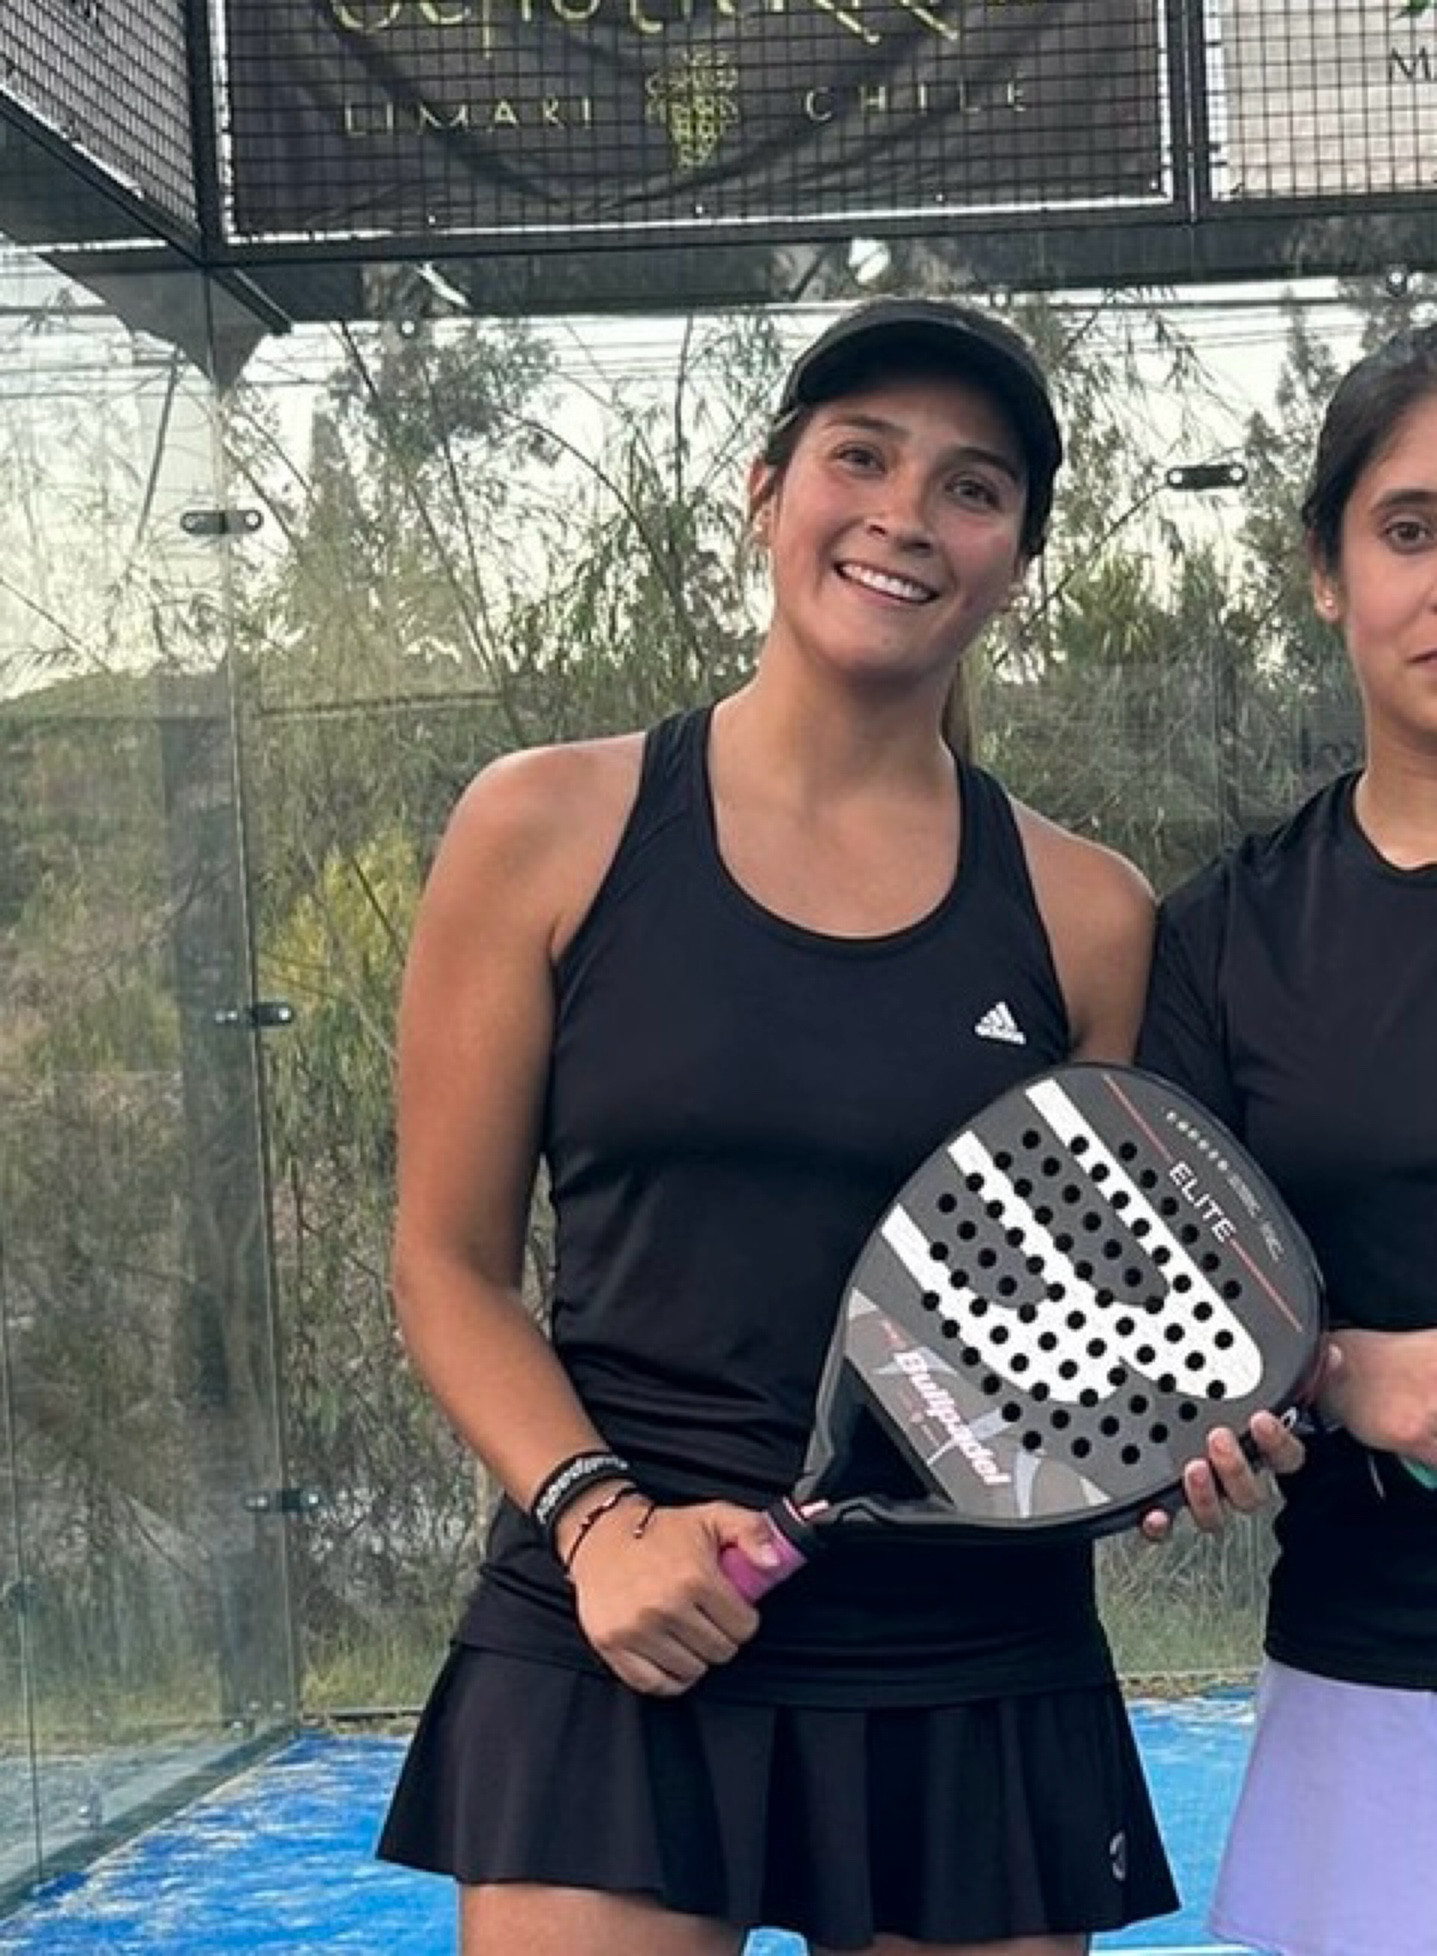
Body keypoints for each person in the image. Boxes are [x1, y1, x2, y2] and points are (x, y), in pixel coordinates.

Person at [375, 296, 1282, 1956]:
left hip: (974, 1659)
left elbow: (1097, 1325)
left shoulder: (1089, 913)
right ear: (764, 492)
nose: (904, 515)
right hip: (611, 1628)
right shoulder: (541, 826)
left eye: (971, 488)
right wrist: (598, 1521)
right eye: (858, 458)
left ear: (1016, 563)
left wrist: (1176, 1458)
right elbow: (445, 1264)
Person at [1138, 322, 1437, 1956]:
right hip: (1374, 1683)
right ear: (1327, 571)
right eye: (1408, 528)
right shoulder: (1223, 940)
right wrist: (1325, 1376)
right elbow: (1172, 1330)